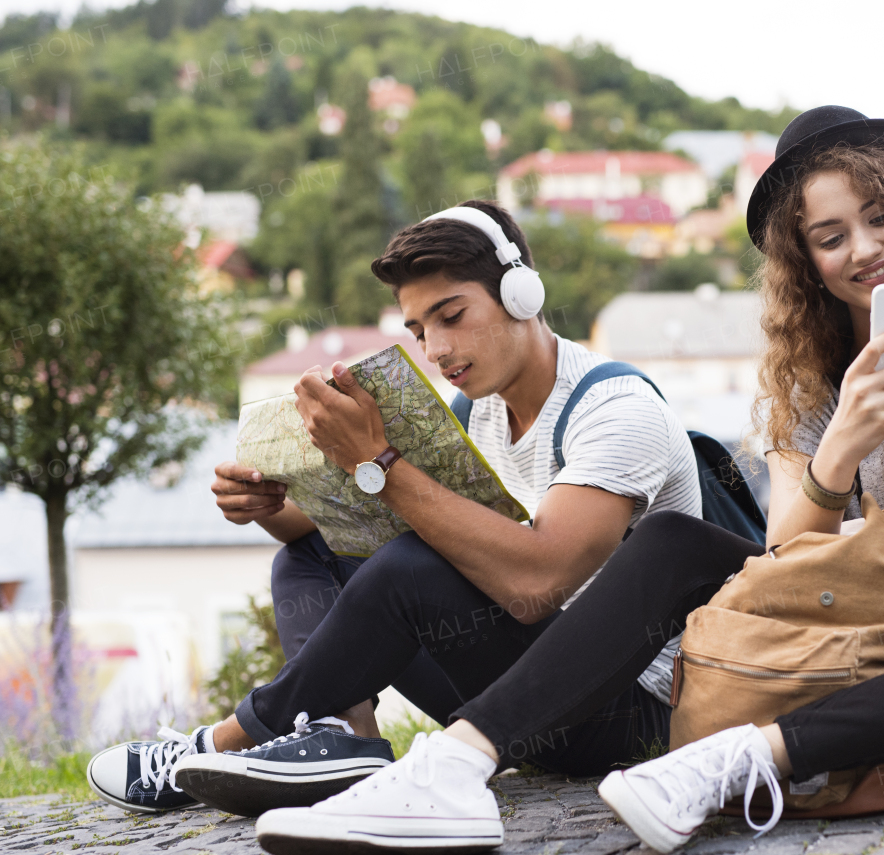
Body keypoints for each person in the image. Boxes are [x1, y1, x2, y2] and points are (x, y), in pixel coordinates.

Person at [246, 107, 884, 854]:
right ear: (806, 261)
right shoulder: (812, 378)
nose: (865, 249)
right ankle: (452, 767)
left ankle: (742, 760)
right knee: (676, 541)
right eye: (830, 237)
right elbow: (790, 563)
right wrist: (839, 448)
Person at [84, 200, 702, 815]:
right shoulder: (477, 412)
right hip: (521, 693)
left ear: (521, 294)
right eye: (418, 331)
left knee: (411, 563)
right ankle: (338, 737)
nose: (435, 349)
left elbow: (537, 582)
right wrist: (267, 503)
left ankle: (223, 739)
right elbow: (332, 535)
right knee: (317, 550)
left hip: (627, 713)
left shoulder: (615, 410)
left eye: (451, 316)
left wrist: (379, 462)